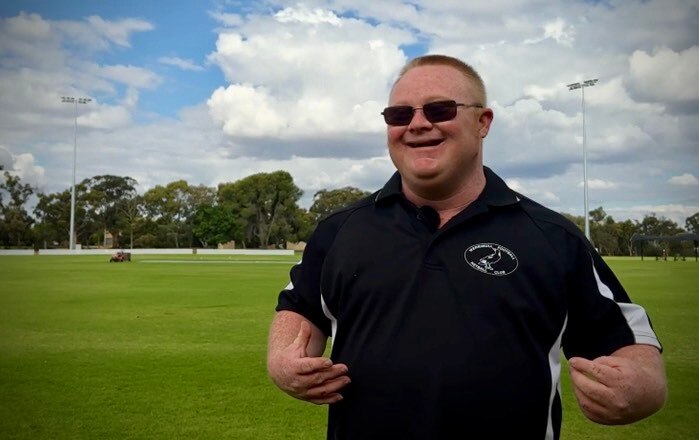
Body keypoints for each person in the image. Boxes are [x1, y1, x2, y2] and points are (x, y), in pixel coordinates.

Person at [267, 54, 667, 439]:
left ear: (483, 122)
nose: (417, 124)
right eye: (399, 115)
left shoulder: (551, 236)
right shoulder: (341, 230)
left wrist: (639, 384)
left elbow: (629, 342)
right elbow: (300, 308)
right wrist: (283, 361)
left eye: (439, 109)